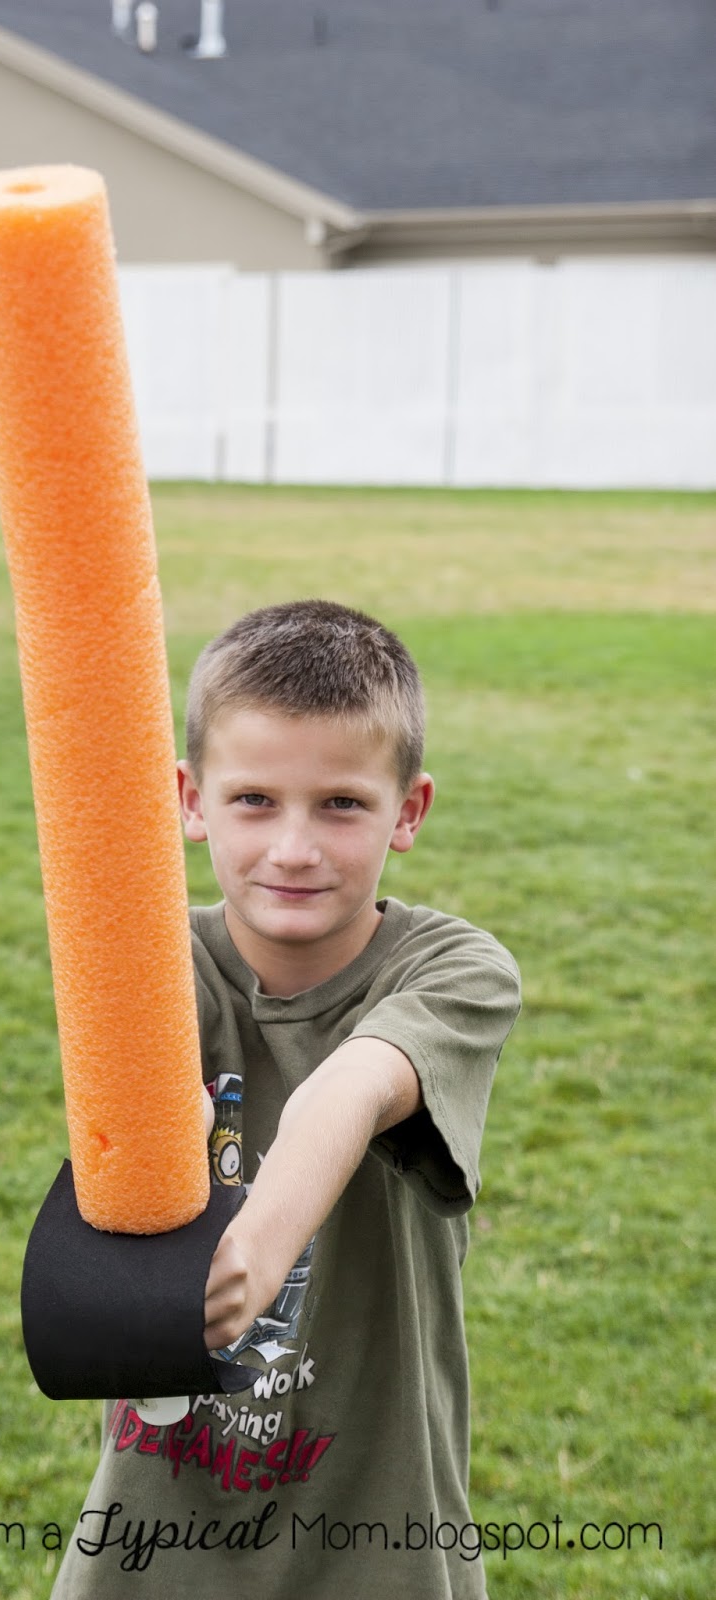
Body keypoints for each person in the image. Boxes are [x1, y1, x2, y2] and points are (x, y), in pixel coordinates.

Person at [50, 599, 521, 1599]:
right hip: (154, 1532)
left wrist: (254, 1252)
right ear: (189, 799)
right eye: (254, 799)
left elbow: (347, 1090)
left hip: (379, 1530)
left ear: (408, 812)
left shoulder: (456, 971)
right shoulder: (144, 966)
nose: (294, 847)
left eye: (341, 803)